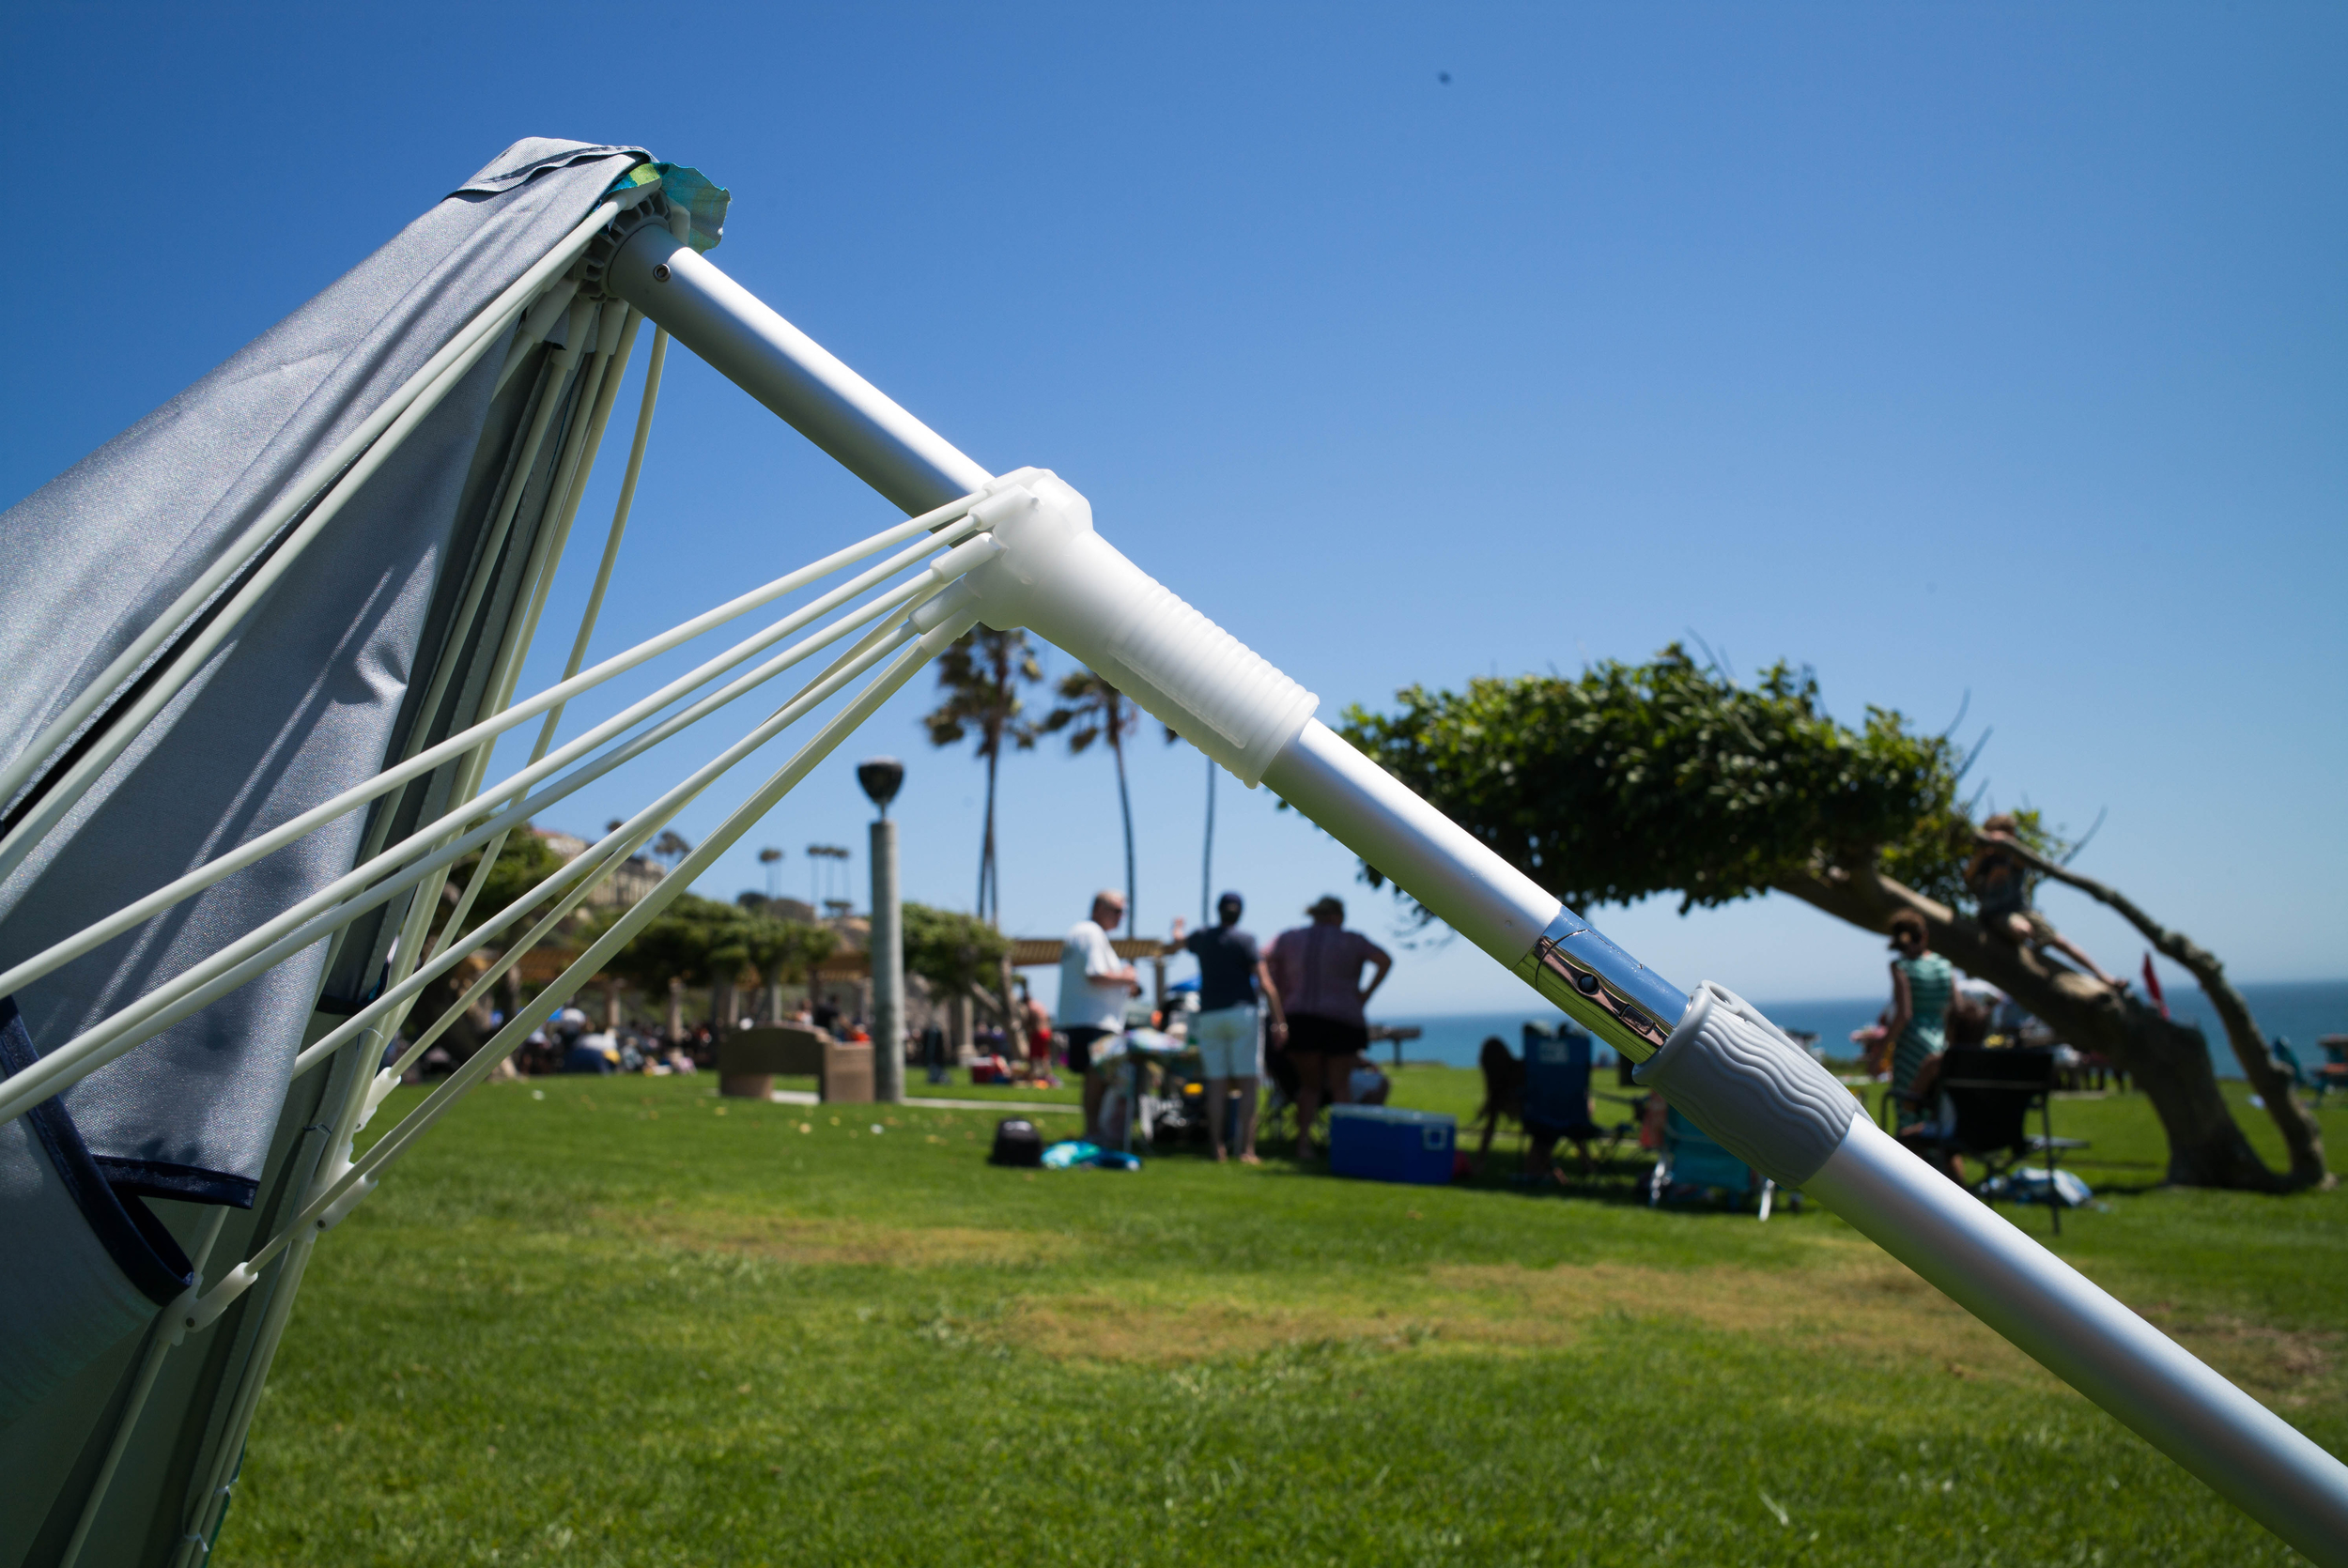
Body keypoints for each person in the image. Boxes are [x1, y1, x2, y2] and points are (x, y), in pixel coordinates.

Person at [1263, 896, 1391, 1161]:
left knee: (1310, 1087)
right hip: (1342, 1018)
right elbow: (1384, 960)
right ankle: (1344, 1147)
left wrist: (1277, 994)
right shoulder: (1352, 940)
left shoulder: (1290, 938)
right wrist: (1364, 995)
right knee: (1340, 1086)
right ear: (1338, 916)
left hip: (1300, 1018)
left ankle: (1303, 1146)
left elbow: (1262, 957)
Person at [1168, 891, 1287, 1165]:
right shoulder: (1246, 940)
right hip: (1242, 1013)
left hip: (1209, 1015)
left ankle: (1216, 1148)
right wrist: (1279, 1021)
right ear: (1240, 913)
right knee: (1248, 1083)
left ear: (1218, 910)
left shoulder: (1202, 937)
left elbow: (1176, 943)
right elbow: (1266, 984)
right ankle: (1246, 1150)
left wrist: (1177, 926)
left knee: (1217, 1084)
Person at [1966, 815, 2124, 990]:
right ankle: (2033, 962)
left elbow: (2024, 861)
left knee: (2060, 941)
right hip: (1995, 915)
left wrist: (2007, 844)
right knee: (2023, 930)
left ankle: (2103, 976)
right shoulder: (1984, 858)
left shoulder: (2015, 855)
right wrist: (1984, 852)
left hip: (2022, 910)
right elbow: (1969, 877)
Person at [1059, 889, 1141, 1142]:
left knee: (1100, 1079)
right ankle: (1094, 1131)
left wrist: (1126, 983)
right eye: (1116, 911)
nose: (1121, 916)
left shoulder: (1086, 934)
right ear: (1098, 909)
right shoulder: (1090, 933)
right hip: (1093, 1019)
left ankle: (1099, 1130)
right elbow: (1095, 974)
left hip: (1092, 1018)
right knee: (1097, 1078)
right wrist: (1127, 976)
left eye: (1122, 912)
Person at [1883, 910, 1956, 1141]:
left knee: (1908, 1112)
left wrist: (1881, 1050)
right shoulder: (1944, 965)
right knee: (1934, 1113)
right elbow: (1957, 1008)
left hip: (1911, 1047)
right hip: (1940, 1044)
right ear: (1924, 935)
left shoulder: (1901, 966)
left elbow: (1904, 1014)